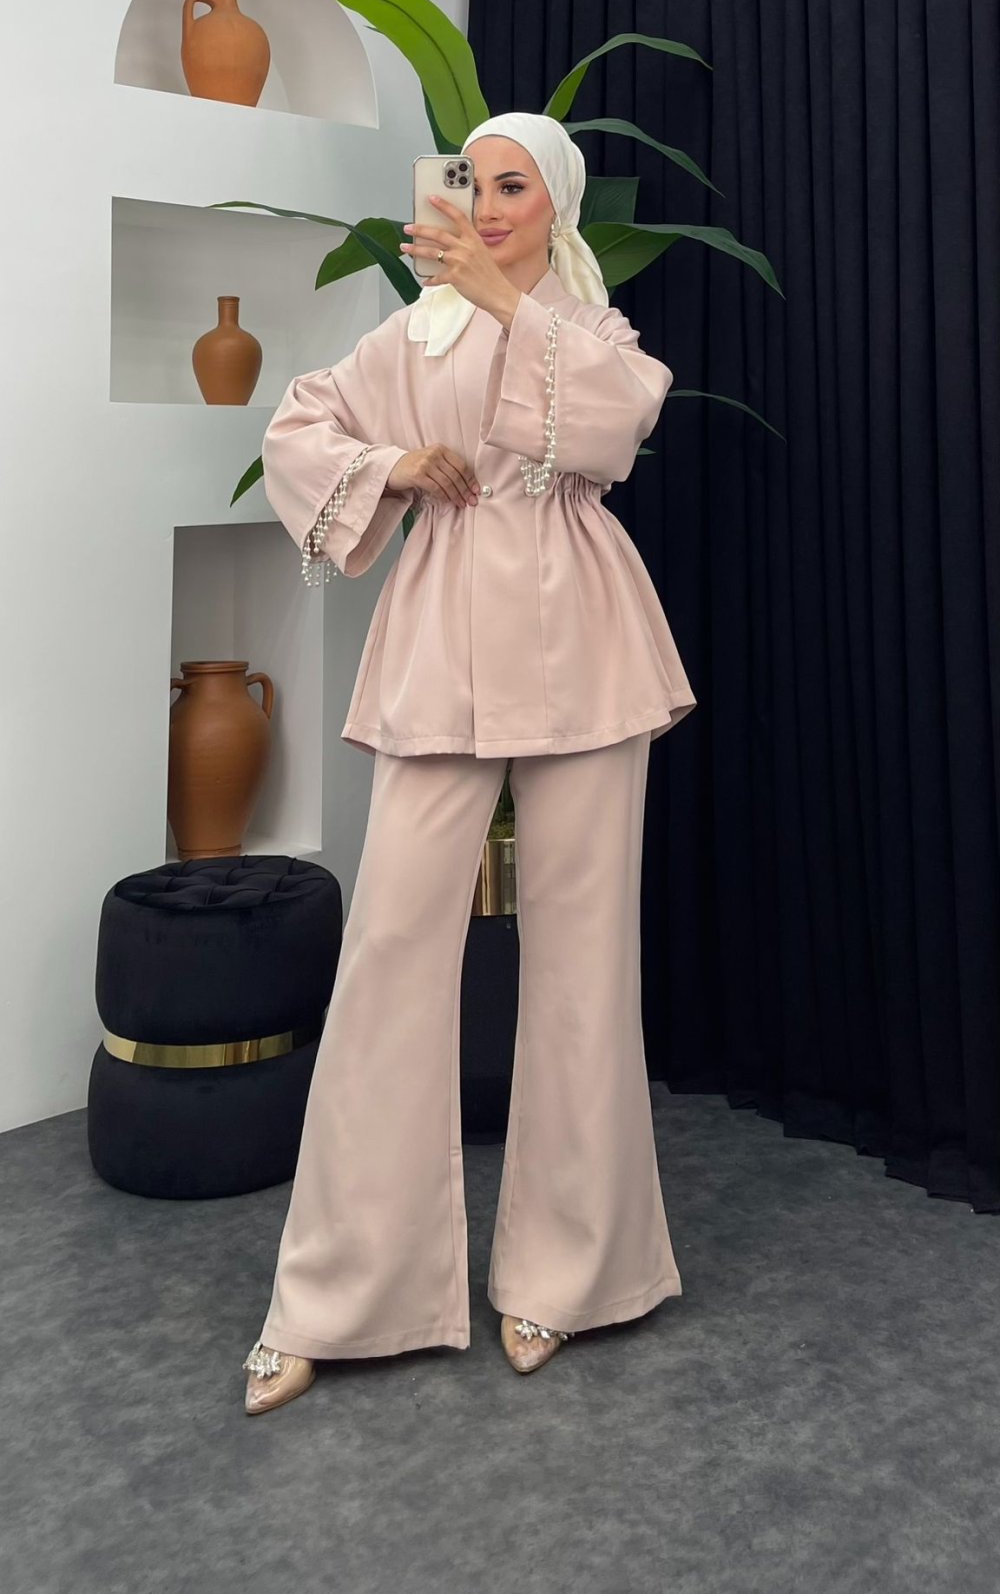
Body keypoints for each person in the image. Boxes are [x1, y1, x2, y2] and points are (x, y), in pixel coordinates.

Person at [241, 111, 696, 1414]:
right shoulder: (415, 335)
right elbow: (299, 422)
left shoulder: (589, 329)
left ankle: (569, 1272)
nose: (488, 205)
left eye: (513, 186)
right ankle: (339, 1292)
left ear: (556, 205)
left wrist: (506, 300)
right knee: (390, 946)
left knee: (584, 960)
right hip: (442, 638)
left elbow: (616, 423)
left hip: (583, 637)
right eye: (472, 183)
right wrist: (391, 461)